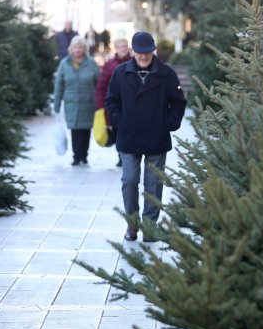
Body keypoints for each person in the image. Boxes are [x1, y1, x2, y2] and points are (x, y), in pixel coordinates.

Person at [106, 31, 187, 242]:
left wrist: (168, 123)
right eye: (140, 52)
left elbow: (178, 102)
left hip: (156, 136)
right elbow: (111, 100)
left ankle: (150, 226)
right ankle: (132, 224)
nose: (144, 56)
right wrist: (119, 121)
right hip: (128, 135)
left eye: (148, 52)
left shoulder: (167, 74)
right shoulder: (120, 72)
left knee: (153, 183)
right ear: (133, 51)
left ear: (153, 51)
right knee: (129, 180)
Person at [53, 35, 100, 166]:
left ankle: (84, 155)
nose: (78, 50)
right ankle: (76, 156)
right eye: (75, 47)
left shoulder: (91, 63)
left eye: (80, 47)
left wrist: (101, 103)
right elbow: (59, 85)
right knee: (74, 130)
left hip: (88, 103)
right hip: (71, 103)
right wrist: (56, 104)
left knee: (85, 130)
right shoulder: (64, 64)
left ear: (84, 49)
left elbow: (99, 83)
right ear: (71, 49)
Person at [94, 38, 132, 167]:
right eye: (121, 46)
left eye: (125, 45)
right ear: (116, 48)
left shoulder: (135, 63)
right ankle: (121, 157)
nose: (123, 48)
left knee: (130, 131)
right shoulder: (110, 65)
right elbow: (101, 87)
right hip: (115, 105)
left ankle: (129, 155)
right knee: (117, 132)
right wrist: (101, 105)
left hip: (132, 105)